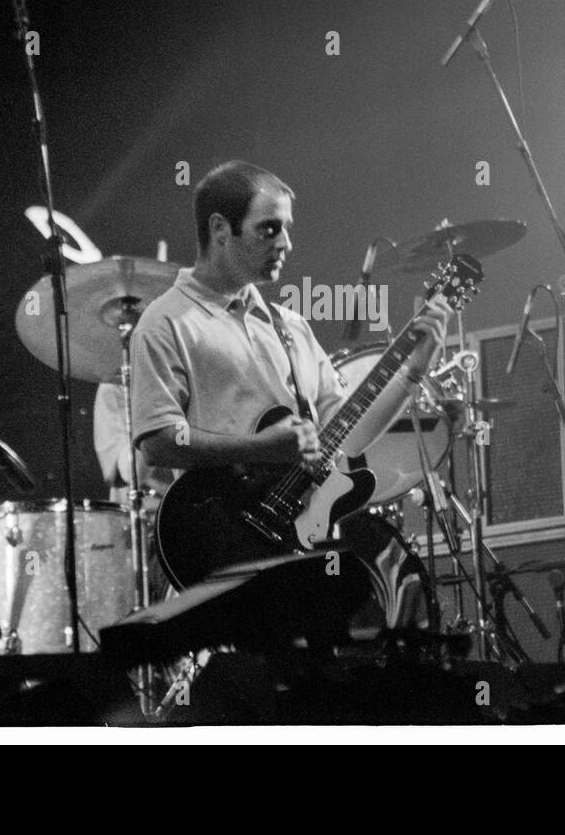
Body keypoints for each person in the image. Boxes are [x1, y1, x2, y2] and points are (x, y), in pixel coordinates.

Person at [128, 160, 451, 576]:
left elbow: (346, 434)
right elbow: (158, 442)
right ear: (220, 230)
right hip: (220, 541)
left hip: (298, 543)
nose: (286, 243)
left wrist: (413, 371)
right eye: (269, 228)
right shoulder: (165, 322)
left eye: (287, 227)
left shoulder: (291, 326)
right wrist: (262, 448)